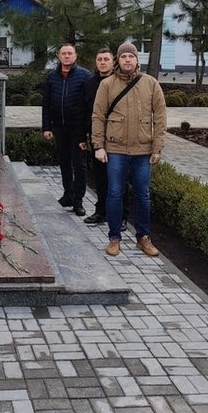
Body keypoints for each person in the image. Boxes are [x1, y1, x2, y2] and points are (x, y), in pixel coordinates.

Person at [91, 41, 167, 257]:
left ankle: (143, 238)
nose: (127, 60)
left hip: (142, 151)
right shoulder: (107, 85)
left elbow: (160, 118)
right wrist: (99, 145)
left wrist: (157, 147)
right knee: (115, 193)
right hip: (115, 149)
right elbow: (98, 116)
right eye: (123, 57)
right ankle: (114, 238)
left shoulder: (151, 84)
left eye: (130, 57)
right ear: (118, 60)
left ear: (137, 60)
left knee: (143, 195)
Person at [42, 42, 92, 217]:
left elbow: (89, 105)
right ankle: (67, 195)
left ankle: (78, 201)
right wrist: (47, 127)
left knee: (79, 165)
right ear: (58, 56)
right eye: (64, 53)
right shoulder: (51, 77)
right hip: (59, 128)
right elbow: (46, 104)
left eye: (70, 53)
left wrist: (86, 130)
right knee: (64, 163)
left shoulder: (85, 76)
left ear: (75, 56)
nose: (67, 56)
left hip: (78, 130)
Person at [83, 47, 114, 226]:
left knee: (119, 180)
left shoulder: (119, 82)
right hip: (97, 137)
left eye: (106, 59)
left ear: (112, 62)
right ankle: (100, 212)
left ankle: (121, 216)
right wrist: (84, 136)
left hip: (117, 138)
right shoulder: (90, 83)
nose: (102, 62)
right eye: (99, 59)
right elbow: (85, 111)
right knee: (100, 178)